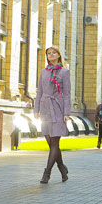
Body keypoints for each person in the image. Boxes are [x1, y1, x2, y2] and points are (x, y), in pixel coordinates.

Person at [34, 46, 71, 183]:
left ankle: (47, 173)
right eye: (48, 53)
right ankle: (62, 167)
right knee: (50, 142)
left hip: (57, 108)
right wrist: (36, 109)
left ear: (59, 55)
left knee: (55, 142)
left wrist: (67, 112)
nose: (51, 55)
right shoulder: (43, 72)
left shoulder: (64, 72)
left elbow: (66, 94)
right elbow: (39, 92)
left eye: (53, 52)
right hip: (44, 109)